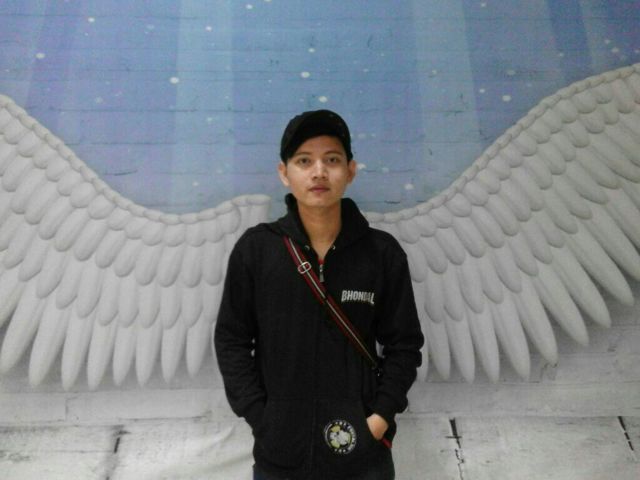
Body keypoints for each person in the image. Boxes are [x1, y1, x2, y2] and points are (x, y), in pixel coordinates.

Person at [214, 110, 424, 480]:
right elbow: (232, 340)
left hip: (362, 456)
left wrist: (379, 418)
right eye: (304, 161)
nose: (319, 172)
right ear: (284, 173)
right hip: (280, 455)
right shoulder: (257, 250)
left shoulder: (382, 253)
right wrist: (263, 418)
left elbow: (404, 345)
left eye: (332, 160)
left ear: (351, 171)